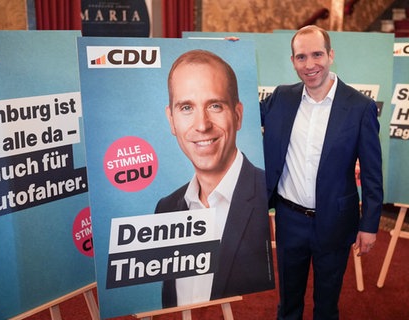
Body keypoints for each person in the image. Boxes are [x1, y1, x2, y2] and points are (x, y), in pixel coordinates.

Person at [260, 26, 383, 319]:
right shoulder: (281, 97)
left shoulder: (359, 107)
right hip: (289, 220)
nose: (310, 64)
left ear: (330, 55)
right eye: (301, 57)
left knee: (327, 305)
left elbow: (372, 173)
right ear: (293, 61)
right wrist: (231, 56)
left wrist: (369, 225)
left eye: (317, 54)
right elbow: (236, 113)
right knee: (288, 302)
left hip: (336, 221)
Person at [155, 49, 274, 308]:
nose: (202, 125)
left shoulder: (269, 195)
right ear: (171, 120)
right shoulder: (165, 209)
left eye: (215, 106)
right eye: (186, 107)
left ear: (238, 115)